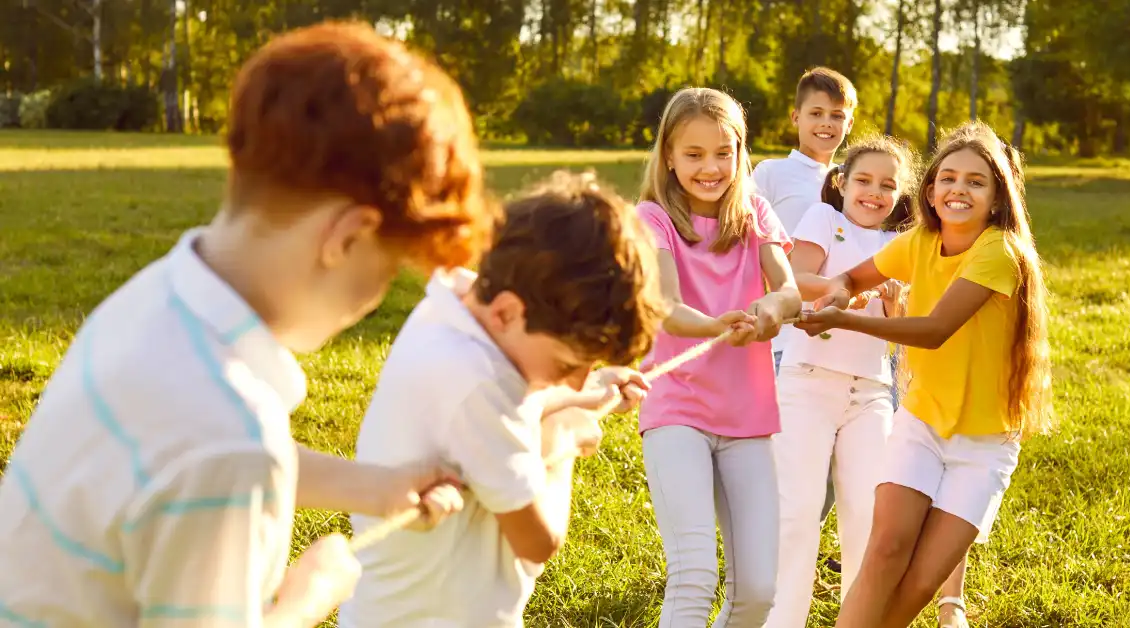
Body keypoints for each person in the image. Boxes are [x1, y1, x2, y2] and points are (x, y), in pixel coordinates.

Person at [0, 21, 491, 627]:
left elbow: (191, 453)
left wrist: (374, 488)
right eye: (388, 270)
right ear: (347, 236)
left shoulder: (159, 298)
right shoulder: (230, 441)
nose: (377, 295)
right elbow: (223, 454)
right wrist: (307, 599)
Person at [338, 171, 668, 627]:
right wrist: (566, 437)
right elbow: (539, 541)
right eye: (567, 363)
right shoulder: (479, 385)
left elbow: (518, 399)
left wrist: (584, 394)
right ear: (508, 312)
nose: (574, 382)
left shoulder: (452, 311)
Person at [794, 122, 1053, 628]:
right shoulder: (919, 242)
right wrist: (843, 291)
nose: (959, 189)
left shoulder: (999, 252)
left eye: (976, 181)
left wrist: (840, 317)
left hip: (985, 444)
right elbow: (852, 276)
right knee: (885, 550)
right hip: (921, 424)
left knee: (918, 582)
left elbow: (935, 330)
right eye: (949, 178)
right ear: (930, 191)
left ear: (998, 195)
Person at [636, 86, 803, 627]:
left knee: (756, 590)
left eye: (722, 153)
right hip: (677, 409)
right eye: (693, 154)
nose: (710, 167)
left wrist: (771, 308)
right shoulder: (652, 217)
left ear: (740, 151)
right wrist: (715, 325)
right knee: (694, 577)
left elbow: (789, 290)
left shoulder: (755, 213)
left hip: (747, 415)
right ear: (668, 156)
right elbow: (663, 305)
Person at [765, 134, 917, 628]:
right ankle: (783, 620)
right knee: (798, 512)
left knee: (867, 519)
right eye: (864, 181)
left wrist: (896, 303)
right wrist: (841, 288)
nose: (874, 193)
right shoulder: (823, 219)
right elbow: (795, 279)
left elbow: (906, 329)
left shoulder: (902, 245)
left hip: (871, 394)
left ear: (900, 195)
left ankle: (857, 620)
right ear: (842, 182)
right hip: (806, 381)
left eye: (887, 186)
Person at [752, 67, 857, 564]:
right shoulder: (773, 172)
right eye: (815, 113)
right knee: (789, 450)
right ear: (795, 116)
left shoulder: (853, 182)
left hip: (840, 336)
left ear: (849, 123)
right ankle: (770, 548)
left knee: (841, 453)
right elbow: (747, 231)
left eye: (837, 116)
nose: (825, 124)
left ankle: (797, 542)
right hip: (782, 336)